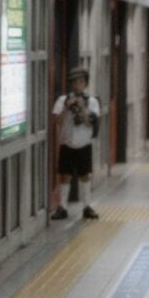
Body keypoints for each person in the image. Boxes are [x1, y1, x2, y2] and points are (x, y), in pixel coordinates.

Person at [50, 66, 100, 220]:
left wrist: (82, 107)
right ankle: (62, 207)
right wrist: (67, 108)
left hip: (84, 145)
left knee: (85, 176)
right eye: (74, 82)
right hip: (67, 144)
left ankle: (87, 206)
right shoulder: (62, 100)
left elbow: (90, 123)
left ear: (85, 84)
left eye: (81, 82)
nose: (77, 85)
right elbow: (56, 121)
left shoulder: (92, 102)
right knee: (65, 175)